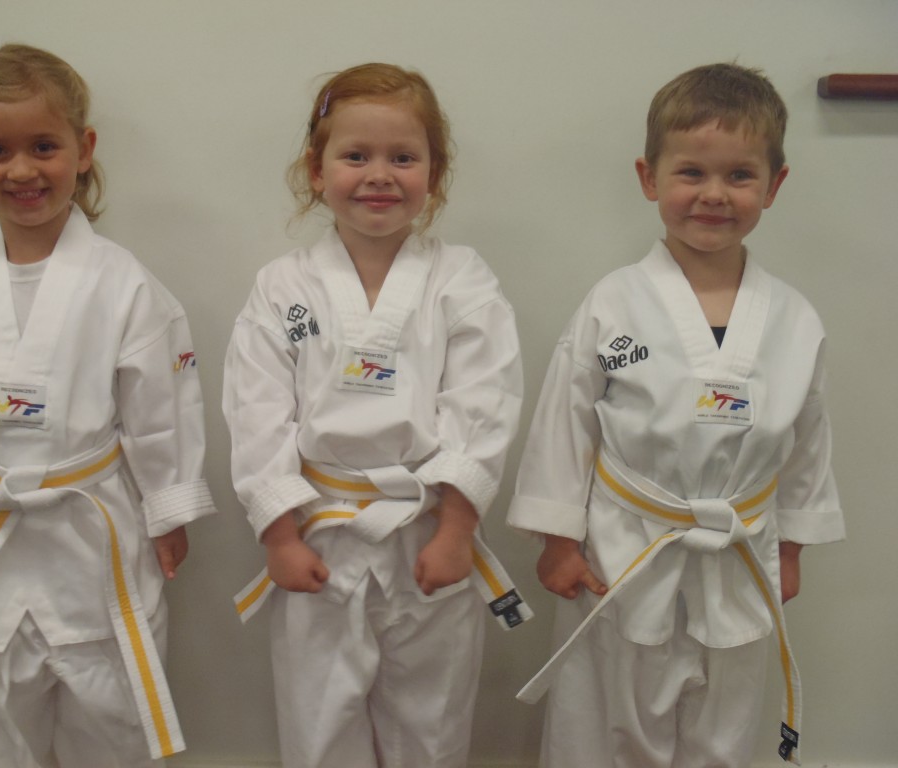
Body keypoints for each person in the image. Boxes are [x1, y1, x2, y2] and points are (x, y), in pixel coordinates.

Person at [0, 44, 216, 767]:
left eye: (43, 146)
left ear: (83, 149)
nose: (22, 170)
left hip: (90, 531)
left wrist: (170, 507)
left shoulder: (122, 281)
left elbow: (161, 404)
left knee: (110, 699)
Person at [508, 63, 844, 767]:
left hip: (741, 547)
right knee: (609, 714)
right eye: (691, 172)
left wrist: (792, 548)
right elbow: (565, 421)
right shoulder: (614, 301)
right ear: (649, 177)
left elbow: (808, 441)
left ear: (774, 185)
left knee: (724, 720)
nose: (714, 195)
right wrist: (557, 540)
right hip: (626, 544)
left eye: (740, 176)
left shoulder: (794, 318)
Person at [223, 63, 529, 768]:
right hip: (318, 533)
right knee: (317, 716)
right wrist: (278, 533)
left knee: (432, 717)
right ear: (317, 167)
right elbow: (256, 410)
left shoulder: (463, 279)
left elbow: (484, 402)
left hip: (428, 528)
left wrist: (457, 529)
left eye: (403, 158)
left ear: (434, 170)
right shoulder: (282, 286)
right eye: (355, 156)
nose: (378, 176)